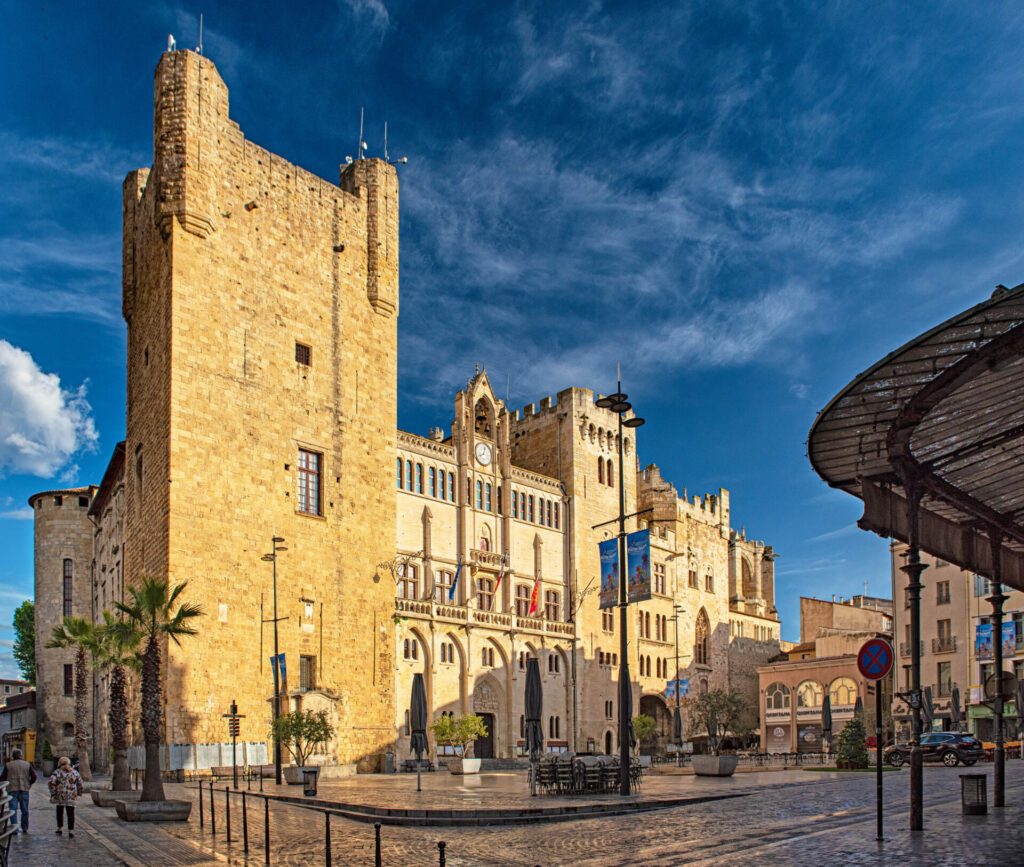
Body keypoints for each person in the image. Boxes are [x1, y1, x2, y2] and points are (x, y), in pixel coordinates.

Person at [0, 747, 37, 833]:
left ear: (13, 756)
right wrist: (29, 783)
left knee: (13, 810)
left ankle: (14, 829)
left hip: (12, 789)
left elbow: (3, 778)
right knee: (25, 810)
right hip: (24, 789)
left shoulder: (8, 765)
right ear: (21, 755)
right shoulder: (27, 764)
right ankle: (25, 827)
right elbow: (34, 776)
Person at [48, 756, 83, 838]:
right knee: (71, 813)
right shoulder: (74, 772)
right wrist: (79, 792)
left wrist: (53, 793)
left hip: (60, 795)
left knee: (59, 812)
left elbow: (51, 783)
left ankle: (59, 828)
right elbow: (80, 783)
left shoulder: (57, 772)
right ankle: (71, 830)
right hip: (71, 795)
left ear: (59, 763)